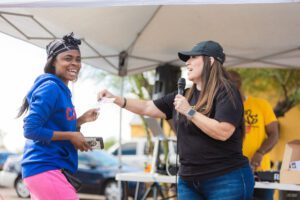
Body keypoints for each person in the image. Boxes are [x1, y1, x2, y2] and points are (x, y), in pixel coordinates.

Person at [98, 40, 254, 200]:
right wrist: (115, 99)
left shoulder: (226, 92)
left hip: (225, 179)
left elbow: (223, 132)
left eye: (193, 58)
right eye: (187, 59)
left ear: (211, 61)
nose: (188, 62)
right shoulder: (184, 95)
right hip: (189, 181)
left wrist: (189, 111)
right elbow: (146, 107)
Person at [17, 33, 99, 200]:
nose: (74, 64)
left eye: (78, 59)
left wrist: (81, 120)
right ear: (53, 61)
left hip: (49, 169)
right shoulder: (50, 88)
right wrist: (71, 135)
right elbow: (30, 129)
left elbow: (53, 127)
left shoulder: (61, 91)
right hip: (44, 167)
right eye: (67, 58)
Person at [228, 70, 279, 200]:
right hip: (232, 173)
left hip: (261, 173)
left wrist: (260, 152)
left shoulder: (261, 105)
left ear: (239, 84)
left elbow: (274, 134)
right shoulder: (223, 108)